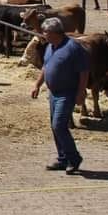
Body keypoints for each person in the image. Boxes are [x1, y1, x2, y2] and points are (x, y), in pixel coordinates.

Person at [30, 17, 88, 174]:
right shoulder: (50, 46)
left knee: (59, 125)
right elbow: (45, 67)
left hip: (67, 92)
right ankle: (63, 159)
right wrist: (37, 84)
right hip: (53, 93)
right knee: (55, 126)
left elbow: (83, 72)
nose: (43, 34)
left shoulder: (73, 48)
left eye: (45, 32)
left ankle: (74, 158)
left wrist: (81, 92)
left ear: (55, 32)